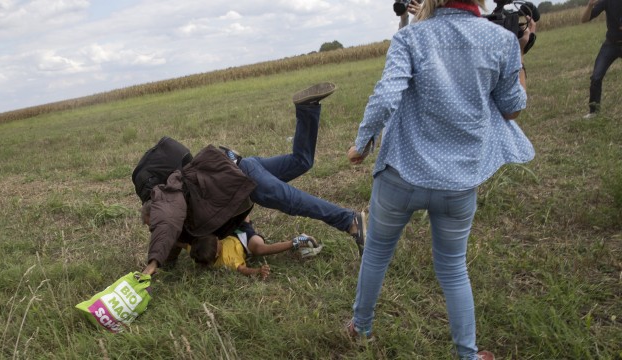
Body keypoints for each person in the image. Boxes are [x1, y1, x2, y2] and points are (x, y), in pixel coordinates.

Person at [345, 0, 536, 358]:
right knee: (452, 268)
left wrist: (362, 144)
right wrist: (520, 52)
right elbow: (513, 108)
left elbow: (386, 96)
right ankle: (468, 354)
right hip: (459, 182)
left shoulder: (410, 38)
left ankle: (361, 327)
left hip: (401, 174)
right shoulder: (501, 40)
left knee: (377, 253)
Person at [141, 83, 366, 276]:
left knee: (290, 201)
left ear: (154, 209)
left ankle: (349, 221)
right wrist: (164, 264)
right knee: (301, 161)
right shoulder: (182, 210)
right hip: (243, 166)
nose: (152, 228)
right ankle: (307, 108)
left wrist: (151, 264)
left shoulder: (167, 198)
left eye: (151, 223)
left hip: (245, 178)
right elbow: (171, 237)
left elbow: (166, 224)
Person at [191, 216, 323, 279]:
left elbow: (183, 244)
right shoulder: (227, 260)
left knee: (236, 210)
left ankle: (242, 191)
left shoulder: (197, 248)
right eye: (218, 243)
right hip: (246, 241)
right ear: (216, 255)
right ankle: (298, 241)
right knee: (260, 249)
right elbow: (243, 269)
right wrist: (258, 271)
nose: (219, 241)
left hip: (231, 230)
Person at [580, 0, 622, 119]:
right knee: (596, 77)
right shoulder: (607, 1)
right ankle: (594, 112)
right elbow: (584, 19)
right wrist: (590, 5)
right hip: (611, 44)